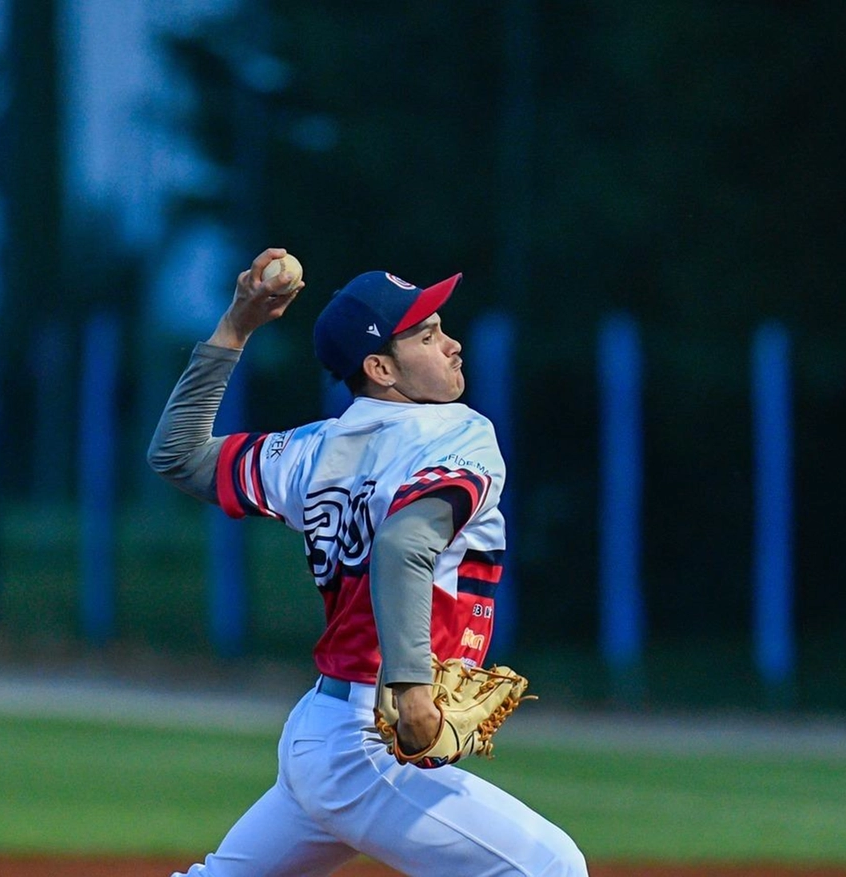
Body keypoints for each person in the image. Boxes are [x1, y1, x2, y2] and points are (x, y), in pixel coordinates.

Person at [148, 248, 587, 877]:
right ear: (380, 366)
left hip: (322, 731)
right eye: (428, 335)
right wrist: (411, 689)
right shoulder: (458, 433)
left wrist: (234, 328)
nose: (452, 345)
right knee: (549, 868)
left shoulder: (312, 449)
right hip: (365, 738)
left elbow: (178, 453)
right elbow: (405, 545)